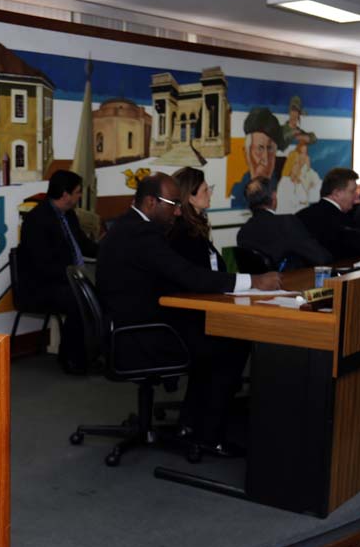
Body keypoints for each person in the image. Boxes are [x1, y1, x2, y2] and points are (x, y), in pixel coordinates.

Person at [98, 172, 280, 453]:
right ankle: (208, 435)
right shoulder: (143, 235)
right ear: (150, 202)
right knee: (230, 342)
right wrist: (253, 281)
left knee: (211, 336)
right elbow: (190, 276)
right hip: (142, 335)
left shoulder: (127, 227)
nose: (177, 210)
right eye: (172, 204)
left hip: (132, 325)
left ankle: (190, 422)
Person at [17, 169, 97, 373]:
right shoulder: (36, 220)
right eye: (78, 192)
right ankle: (71, 358)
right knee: (79, 301)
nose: (80, 196)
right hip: (41, 285)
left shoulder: (68, 215)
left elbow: (84, 245)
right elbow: (42, 265)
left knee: (100, 291)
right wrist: (75, 280)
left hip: (67, 279)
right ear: (65, 194)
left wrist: (111, 249)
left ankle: (91, 353)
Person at [236, 178, 331, 269]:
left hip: (258, 284)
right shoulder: (286, 223)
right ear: (273, 196)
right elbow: (320, 257)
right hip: (288, 282)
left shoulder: (242, 233)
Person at [229, 106, 284, 209]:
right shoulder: (237, 193)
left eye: (270, 149)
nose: (266, 160)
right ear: (246, 154)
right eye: (259, 149)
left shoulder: (284, 186)